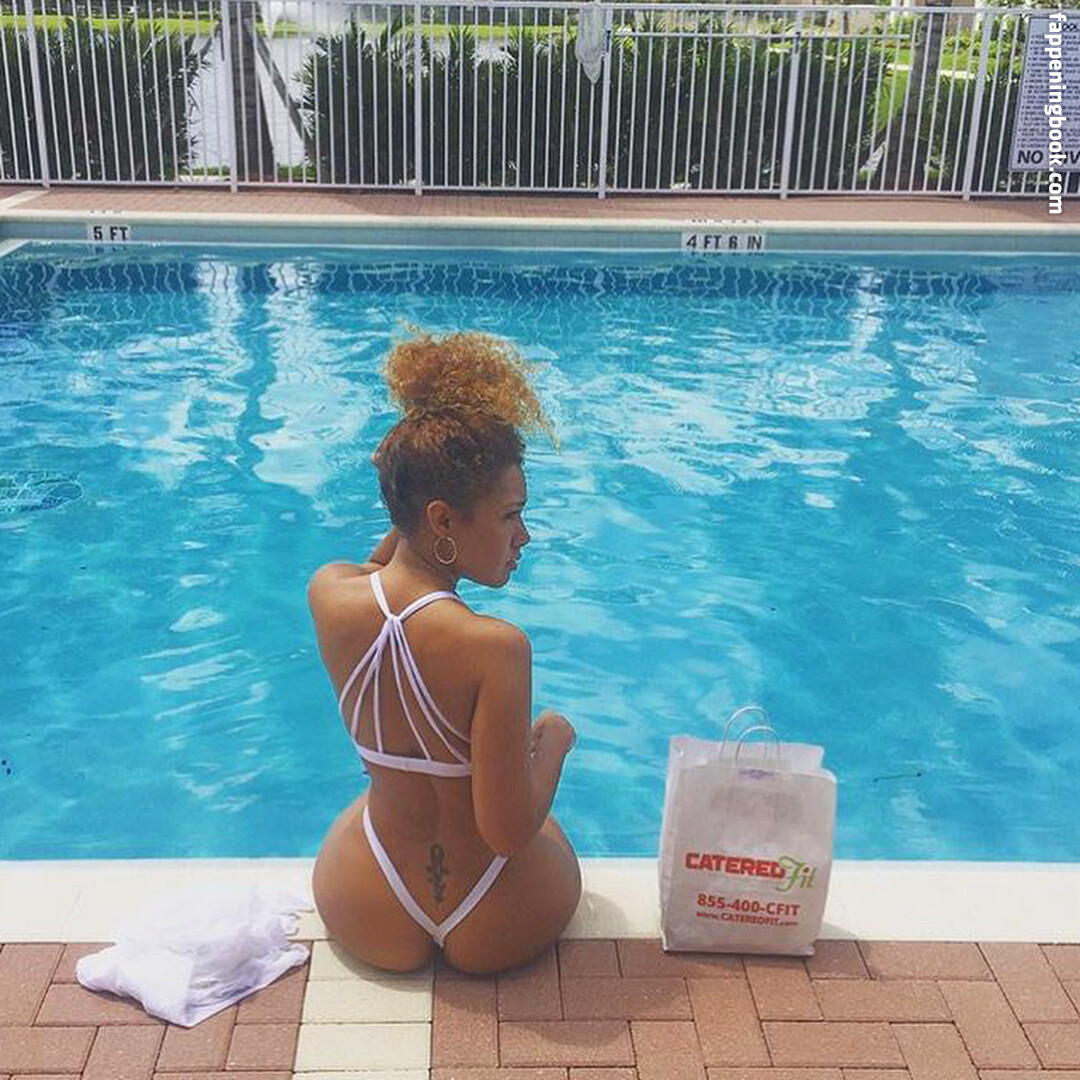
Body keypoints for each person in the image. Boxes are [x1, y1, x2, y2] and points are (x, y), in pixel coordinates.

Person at [307, 330, 582, 975]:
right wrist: (555, 741)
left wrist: (408, 486)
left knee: (372, 800)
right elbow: (507, 832)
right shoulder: (495, 647)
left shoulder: (329, 593)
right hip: (494, 912)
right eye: (510, 515)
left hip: (365, 898)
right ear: (443, 521)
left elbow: (389, 561)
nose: (524, 535)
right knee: (546, 819)